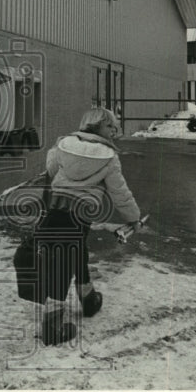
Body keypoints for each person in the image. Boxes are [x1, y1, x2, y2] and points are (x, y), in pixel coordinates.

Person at [35, 107, 143, 346]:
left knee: (75, 252)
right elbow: (119, 192)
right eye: (110, 127)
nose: (113, 131)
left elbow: (52, 170)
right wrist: (133, 217)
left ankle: (88, 298)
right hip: (80, 215)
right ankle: (52, 328)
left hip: (57, 210)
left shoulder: (63, 144)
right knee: (65, 264)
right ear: (97, 127)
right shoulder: (108, 156)